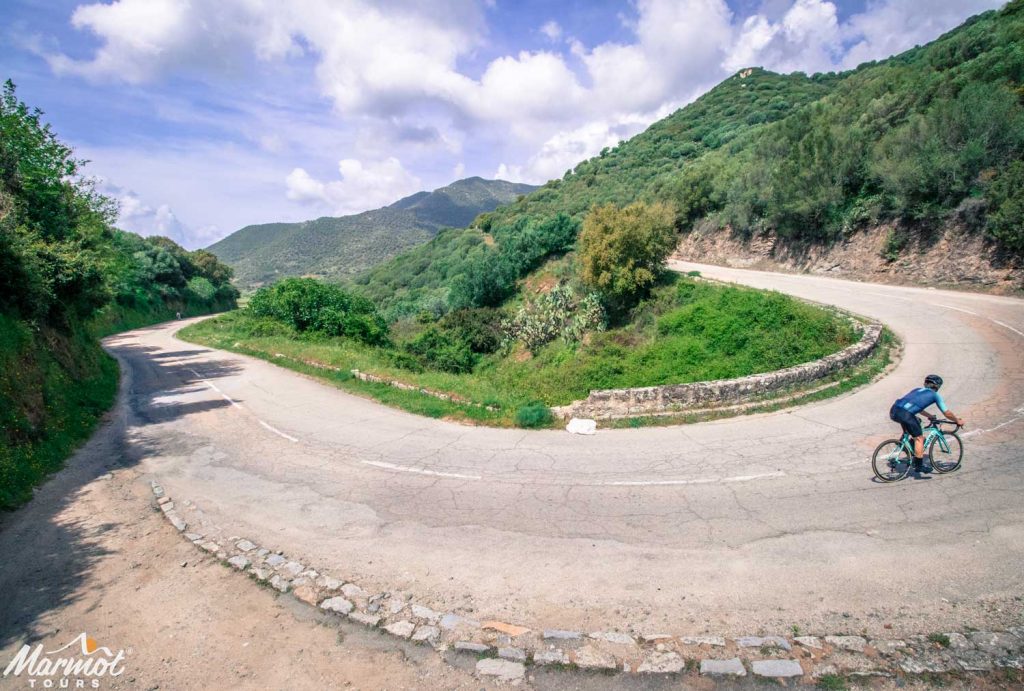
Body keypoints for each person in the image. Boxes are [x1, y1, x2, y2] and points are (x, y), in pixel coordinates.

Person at [889, 374, 965, 475]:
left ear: (926, 383)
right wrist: (957, 420)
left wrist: (929, 415)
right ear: (937, 386)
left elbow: (917, 407)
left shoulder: (917, 390)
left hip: (894, 410)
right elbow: (947, 413)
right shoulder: (935, 395)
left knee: (917, 421)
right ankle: (919, 466)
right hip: (906, 414)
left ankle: (904, 441)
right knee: (919, 438)